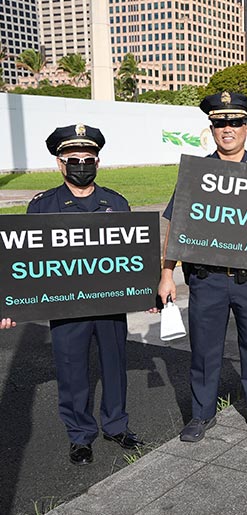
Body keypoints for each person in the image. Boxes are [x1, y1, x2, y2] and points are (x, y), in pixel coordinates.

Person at [0, 124, 143, 465]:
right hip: (65, 306)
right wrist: (10, 302)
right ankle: (80, 435)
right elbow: (25, 260)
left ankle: (116, 425)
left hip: (110, 304)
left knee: (114, 367)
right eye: (73, 158)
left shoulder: (115, 202)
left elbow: (134, 254)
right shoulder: (42, 207)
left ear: (98, 161)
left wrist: (146, 289)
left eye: (88, 158)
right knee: (71, 370)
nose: (81, 164)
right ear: (60, 163)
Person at [158, 92, 247, 442]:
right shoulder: (197, 173)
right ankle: (201, 415)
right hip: (206, 280)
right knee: (205, 352)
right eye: (220, 123)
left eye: (236, 122)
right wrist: (167, 274)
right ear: (211, 128)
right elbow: (176, 226)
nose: (228, 129)